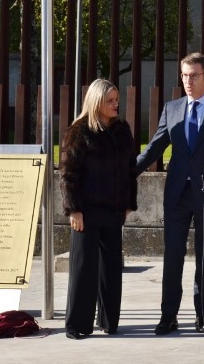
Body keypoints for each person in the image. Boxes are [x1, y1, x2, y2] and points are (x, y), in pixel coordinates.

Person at [136, 52, 204, 335]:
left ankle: (203, 315)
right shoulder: (172, 109)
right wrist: (123, 174)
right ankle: (168, 316)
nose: (188, 81)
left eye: (194, 75)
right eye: (184, 75)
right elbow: (153, 150)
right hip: (177, 196)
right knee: (173, 257)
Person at [59, 78, 138, 340]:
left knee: (111, 270)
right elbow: (68, 174)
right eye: (110, 100)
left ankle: (109, 321)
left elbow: (129, 170)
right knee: (84, 270)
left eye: (117, 99)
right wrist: (74, 209)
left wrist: (128, 202)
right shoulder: (79, 131)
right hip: (86, 212)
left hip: (113, 211)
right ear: (96, 102)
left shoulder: (122, 130)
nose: (116, 104)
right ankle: (77, 325)